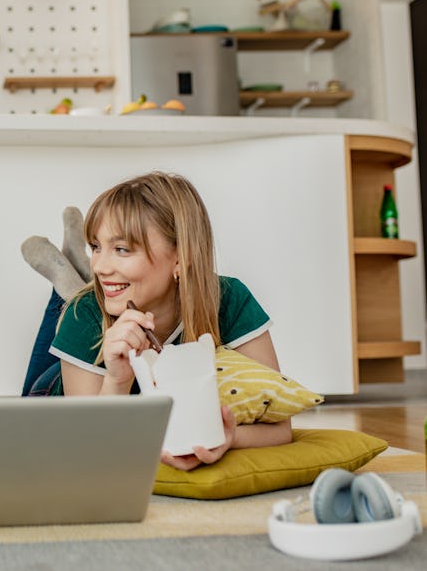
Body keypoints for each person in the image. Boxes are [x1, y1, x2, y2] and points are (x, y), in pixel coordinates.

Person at [22, 171, 291, 470]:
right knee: (71, 305)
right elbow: (92, 443)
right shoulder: (83, 313)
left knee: (94, 292)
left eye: (121, 249)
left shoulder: (229, 299)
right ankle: (62, 280)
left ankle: (71, 267)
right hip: (55, 394)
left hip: (111, 310)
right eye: (95, 247)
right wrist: (117, 379)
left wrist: (225, 438)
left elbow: (280, 427)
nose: (100, 265)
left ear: (180, 258)